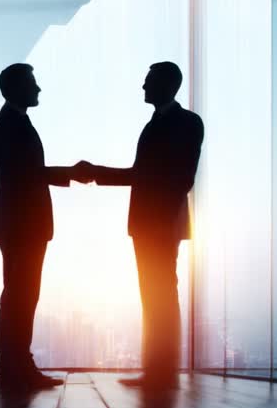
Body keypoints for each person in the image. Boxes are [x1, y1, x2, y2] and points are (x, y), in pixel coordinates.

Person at [84, 61, 204, 390]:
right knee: (153, 295)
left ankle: (163, 372)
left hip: (161, 225)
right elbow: (141, 174)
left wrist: (99, 174)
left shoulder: (188, 123)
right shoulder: (156, 124)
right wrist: (98, 174)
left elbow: (182, 179)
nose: (143, 87)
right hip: (146, 225)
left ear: (166, 84)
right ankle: (157, 371)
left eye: (148, 81)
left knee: (162, 294)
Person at [0, 63, 90, 390]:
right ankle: (17, 367)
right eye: (33, 83)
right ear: (16, 88)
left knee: (21, 294)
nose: (38, 89)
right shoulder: (11, 124)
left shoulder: (12, 121)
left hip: (21, 224)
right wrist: (69, 173)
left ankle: (16, 365)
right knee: (21, 294)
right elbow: (26, 174)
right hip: (22, 225)